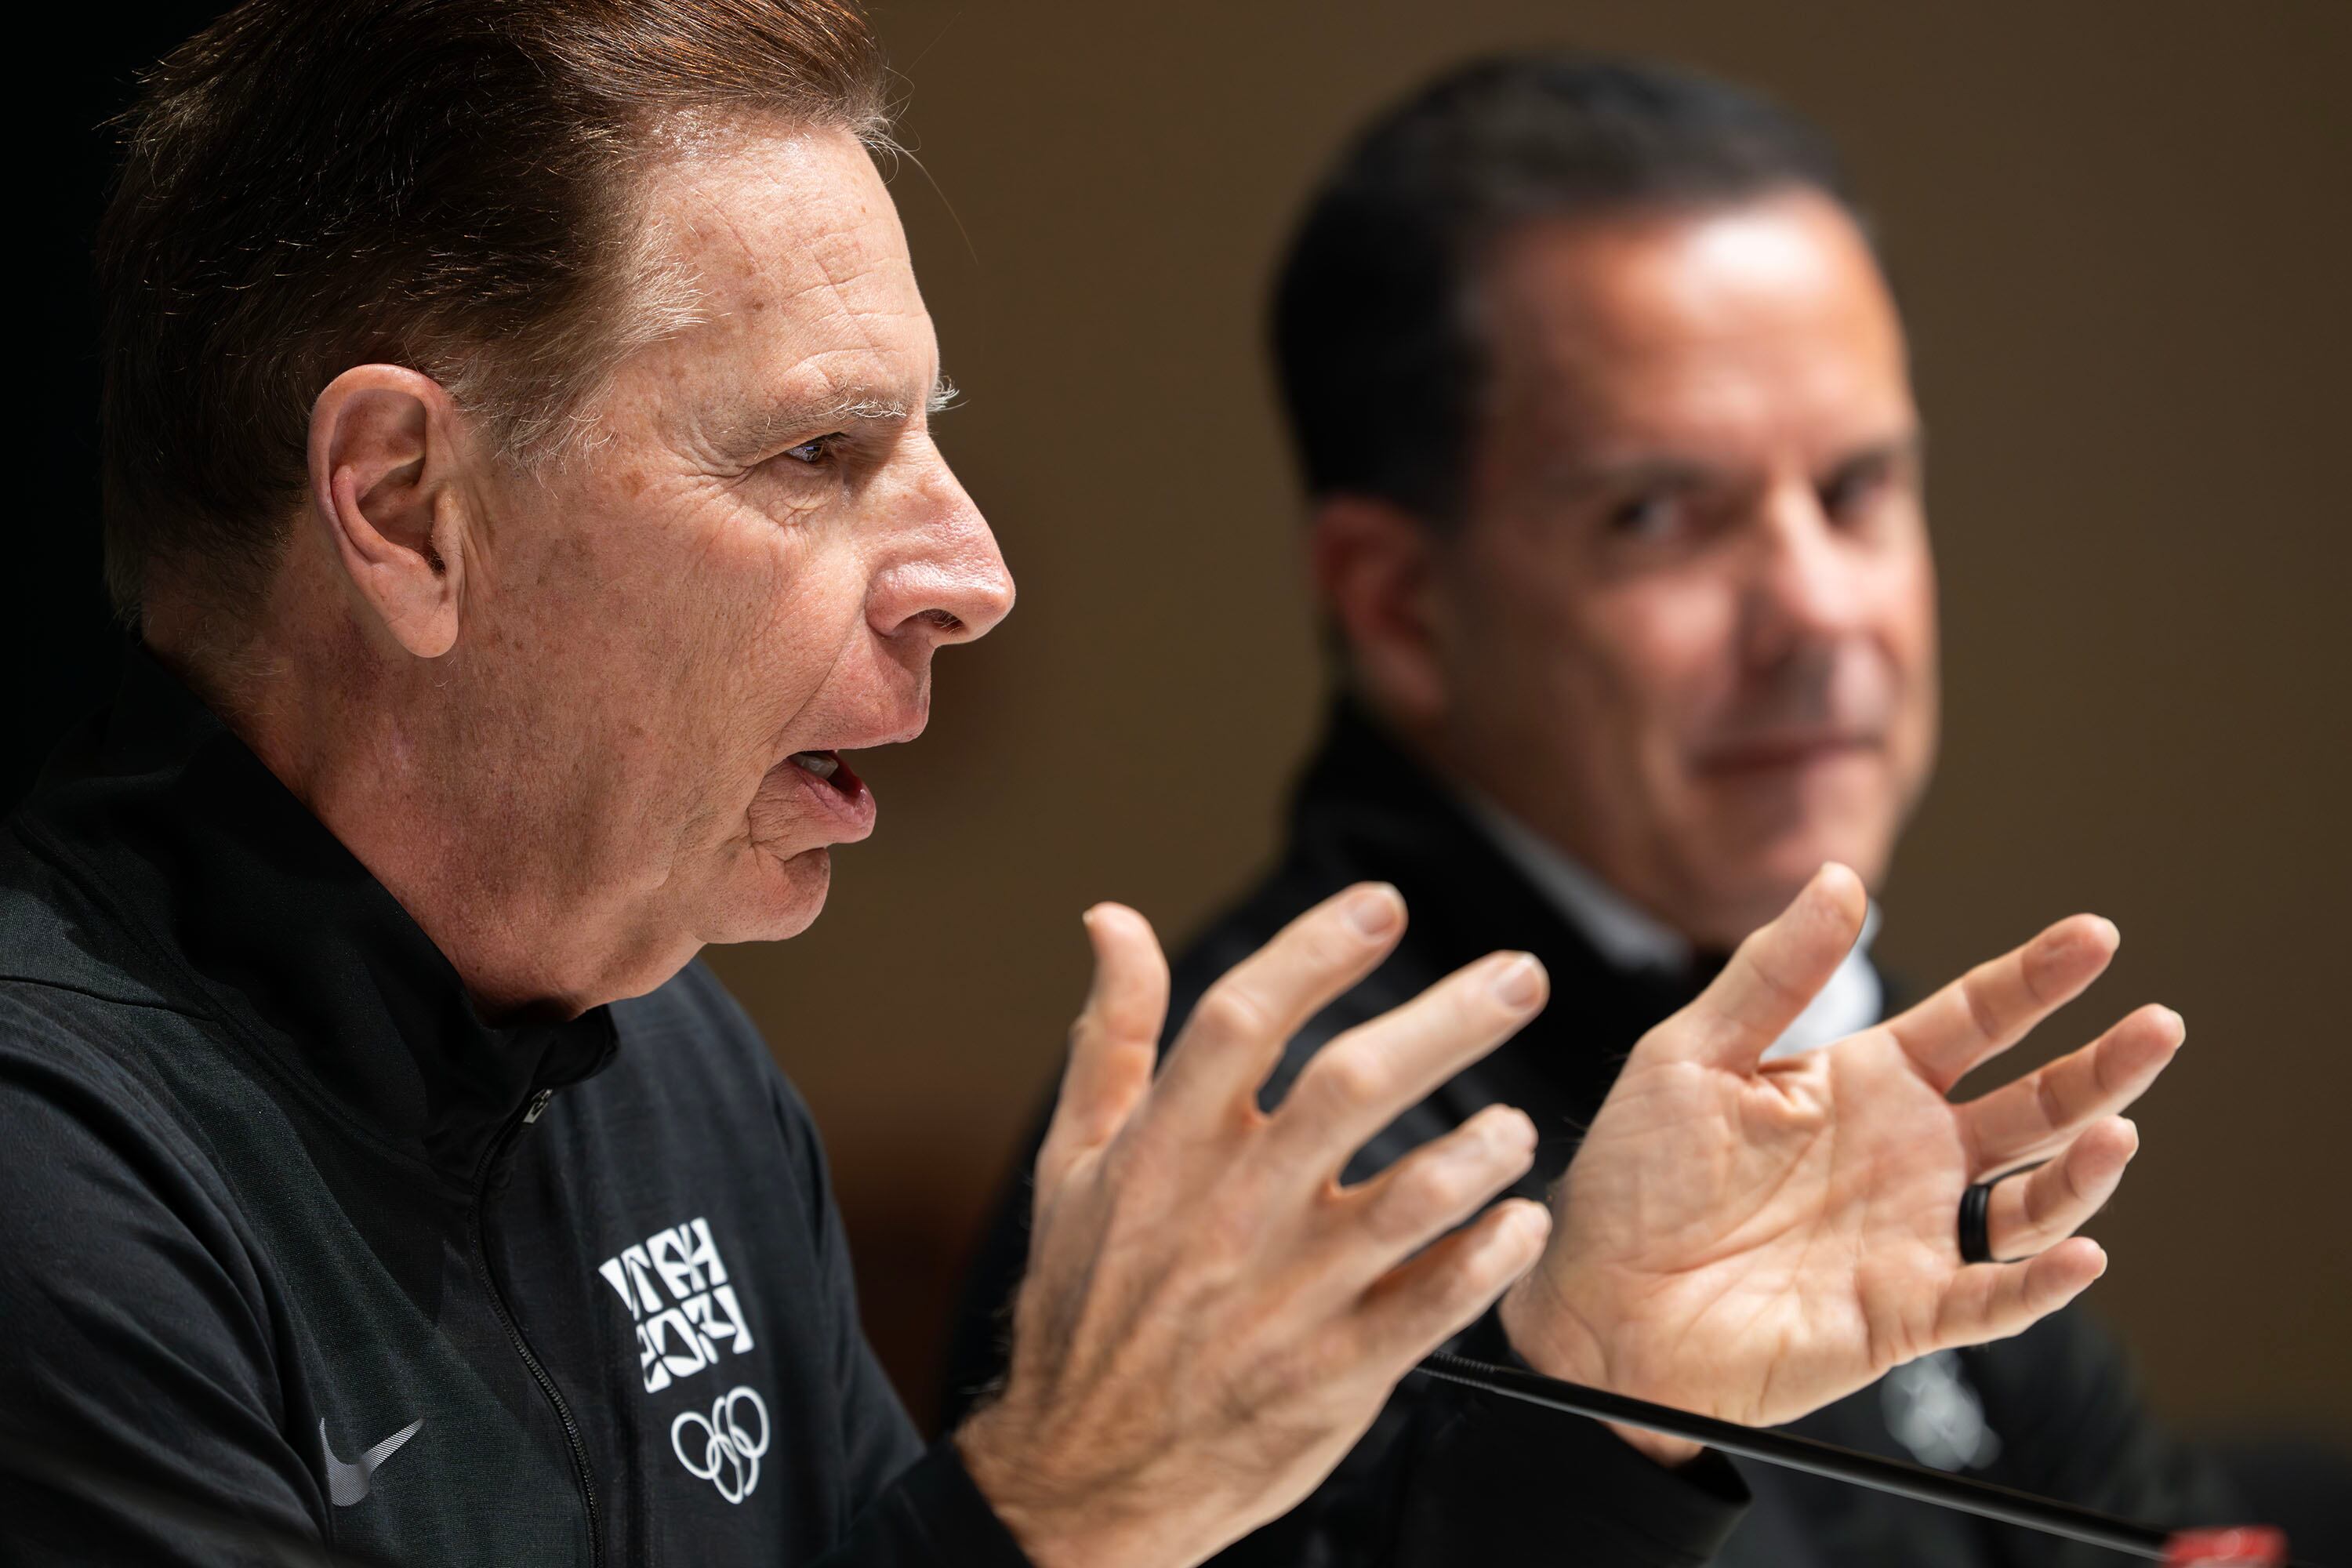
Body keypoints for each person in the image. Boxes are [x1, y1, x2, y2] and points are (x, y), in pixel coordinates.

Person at [0, 8, 2179, 1566]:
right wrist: (1063, 1509)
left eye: (929, 441)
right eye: (818, 452)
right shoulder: (55, 1187)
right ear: (407, 509)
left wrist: (1599, 1406)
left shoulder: (676, 1065)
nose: (975, 570)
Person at [946, 53, 2237, 1568]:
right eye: (1661, 516)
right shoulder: (1255, 1170)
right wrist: (1596, 1427)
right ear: (1401, 607)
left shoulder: (1828, 1014)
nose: (1822, 610)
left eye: (1858, 490)